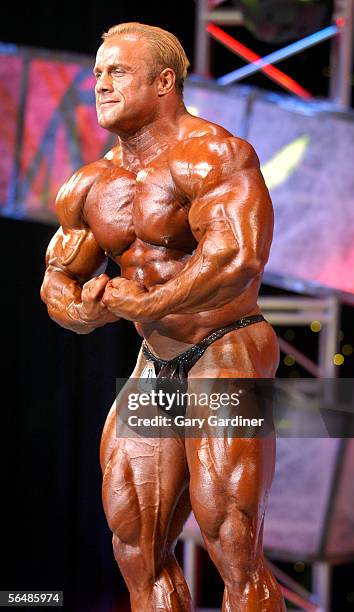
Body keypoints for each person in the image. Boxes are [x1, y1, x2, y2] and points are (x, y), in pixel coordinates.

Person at [41, 22, 285, 612]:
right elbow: (58, 275)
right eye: (97, 73)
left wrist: (144, 304)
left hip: (229, 346)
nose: (100, 84)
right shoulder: (91, 183)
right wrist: (77, 309)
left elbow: (236, 258)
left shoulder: (214, 155)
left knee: (230, 537)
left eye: (117, 72)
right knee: (135, 544)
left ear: (164, 81)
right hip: (159, 357)